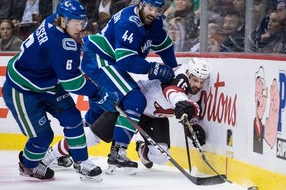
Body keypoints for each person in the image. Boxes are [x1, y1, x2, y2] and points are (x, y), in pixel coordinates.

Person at [43, 0, 178, 175]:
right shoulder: (128, 22)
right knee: (135, 100)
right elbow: (127, 61)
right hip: (99, 59)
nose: (154, 13)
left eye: (158, 10)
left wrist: (174, 69)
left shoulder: (154, 22)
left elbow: (165, 46)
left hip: (106, 62)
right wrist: (154, 69)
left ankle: (56, 154)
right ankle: (118, 152)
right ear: (141, 4)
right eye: (150, 8)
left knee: (97, 116)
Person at [2, 0, 117, 182]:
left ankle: (81, 161)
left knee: (72, 117)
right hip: (22, 89)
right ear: (63, 21)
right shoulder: (61, 45)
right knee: (42, 138)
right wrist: (98, 93)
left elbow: (66, 69)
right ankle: (27, 165)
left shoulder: (52, 20)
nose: (79, 27)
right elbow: (72, 83)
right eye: (75, 23)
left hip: (48, 82)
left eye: (81, 23)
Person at [41, 58, 209, 170]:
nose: (198, 85)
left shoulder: (197, 89)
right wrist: (182, 102)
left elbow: (188, 110)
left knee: (160, 157)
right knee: (92, 138)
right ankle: (52, 154)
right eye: (195, 80)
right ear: (188, 74)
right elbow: (173, 91)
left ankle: (140, 149)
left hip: (154, 117)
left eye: (201, 82)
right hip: (132, 106)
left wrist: (193, 125)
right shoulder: (180, 77)